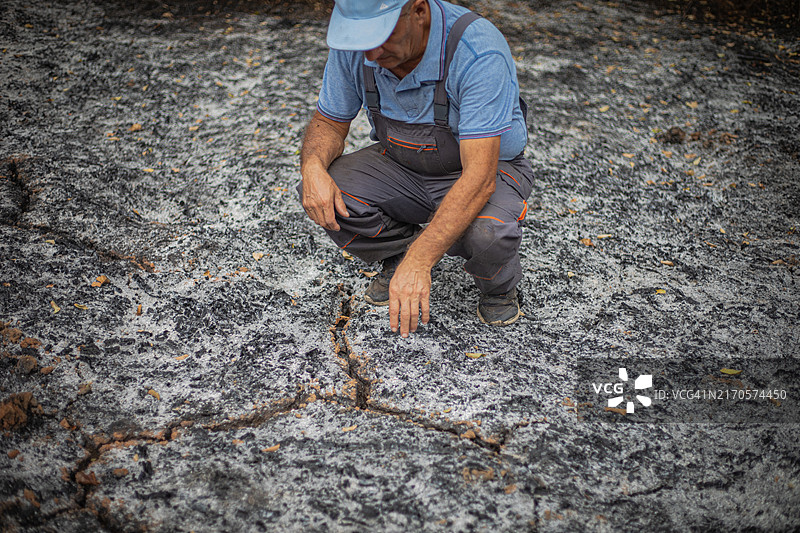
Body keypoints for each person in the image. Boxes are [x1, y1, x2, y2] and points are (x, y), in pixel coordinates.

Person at [298, 0, 534, 337]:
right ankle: (398, 252)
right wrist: (312, 167)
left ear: (419, 12)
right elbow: (329, 123)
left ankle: (498, 288)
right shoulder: (359, 47)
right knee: (326, 189)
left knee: (488, 233)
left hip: (484, 170)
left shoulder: (476, 49)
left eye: (381, 36)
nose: (371, 55)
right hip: (402, 165)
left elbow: (479, 179)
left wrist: (421, 261)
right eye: (361, 40)